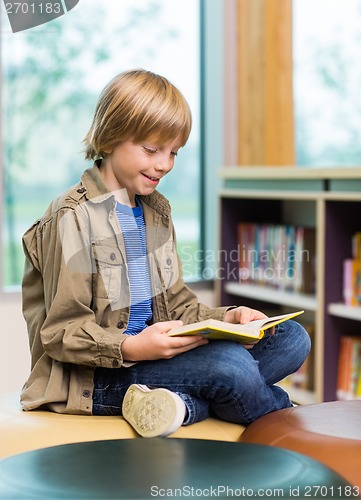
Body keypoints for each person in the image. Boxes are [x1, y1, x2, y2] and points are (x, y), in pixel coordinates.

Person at [21, 69, 311, 437]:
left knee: (292, 337)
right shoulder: (72, 217)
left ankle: (179, 405)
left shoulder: (155, 210)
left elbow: (177, 307)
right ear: (109, 139)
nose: (165, 164)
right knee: (232, 366)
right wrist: (134, 346)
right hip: (99, 377)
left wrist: (232, 317)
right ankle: (280, 416)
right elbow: (62, 332)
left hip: (158, 361)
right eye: (151, 150)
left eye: (173, 152)